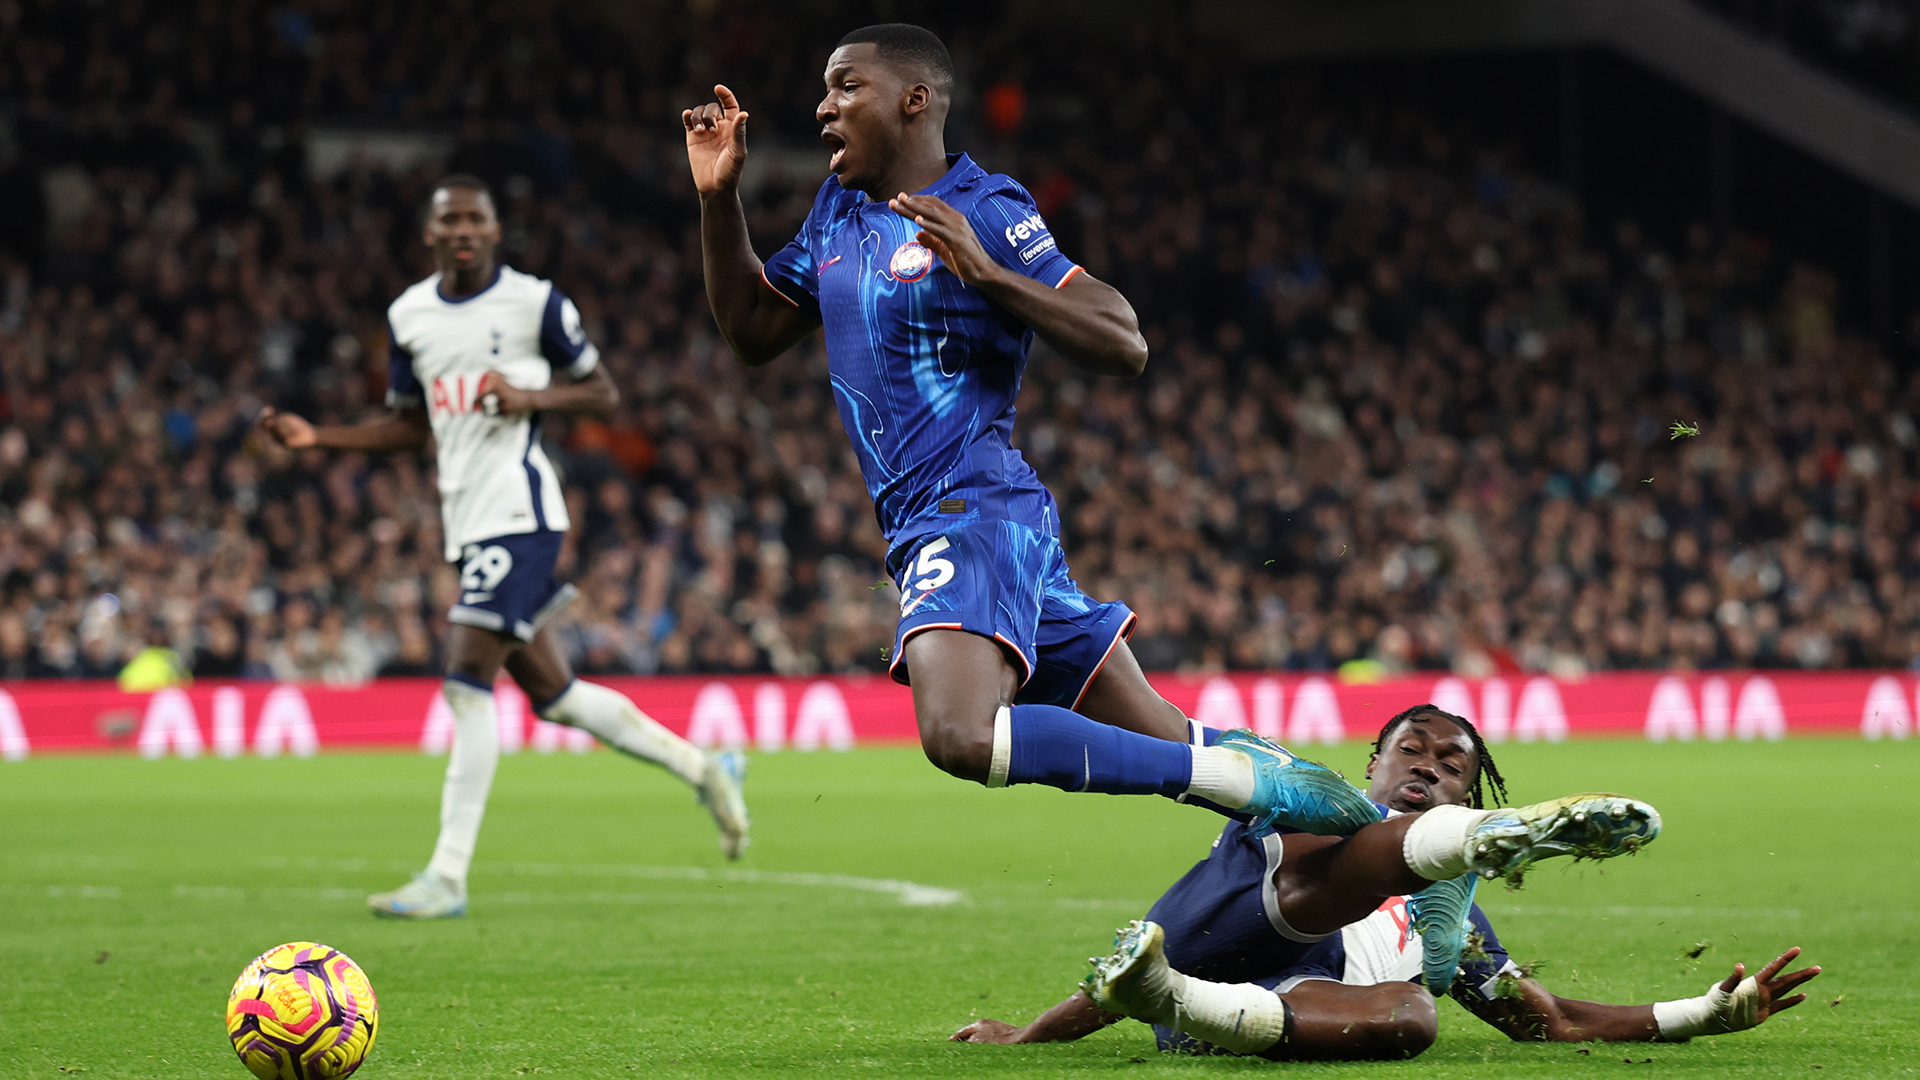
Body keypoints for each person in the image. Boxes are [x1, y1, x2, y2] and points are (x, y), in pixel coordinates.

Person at [682, 23, 1376, 836]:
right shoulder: (838, 212)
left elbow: (1123, 338)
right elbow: (753, 332)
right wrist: (717, 200)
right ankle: (1392, 838)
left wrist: (989, 273)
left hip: (971, 512)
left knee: (960, 735)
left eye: (845, 87)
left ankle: (1236, 778)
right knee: (1166, 740)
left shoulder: (987, 206)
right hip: (954, 527)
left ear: (915, 101)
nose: (822, 107)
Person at [259, 175, 749, 920]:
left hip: (521, 513)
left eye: (476, 219)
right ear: (430, 234)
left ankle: (447, 877)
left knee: (465, 682)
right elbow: (406, 426)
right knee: (555, 696)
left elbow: (602, 393)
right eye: (449, 219)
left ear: (494, 230)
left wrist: (531, 397)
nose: (463, 229)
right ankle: (704, 767)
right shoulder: (409, 316)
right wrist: (318, 436)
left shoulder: (535, 303)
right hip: (468, 522)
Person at [953, 705, 1818, 1060]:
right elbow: (1182, 920)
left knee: (1416, 1009)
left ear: (1465, 794)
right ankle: (1474, 844)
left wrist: (1706, 1015)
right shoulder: (1296, 814)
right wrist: (1034, 1037)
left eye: (1451, 766)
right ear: (1374, 759)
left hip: (1234, 1013)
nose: (1428, 766)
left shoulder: (1457, 928)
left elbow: (1547, 1022)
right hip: (1238, 928)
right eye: (1412, 750)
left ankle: (1174, 999)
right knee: (1339, 849)